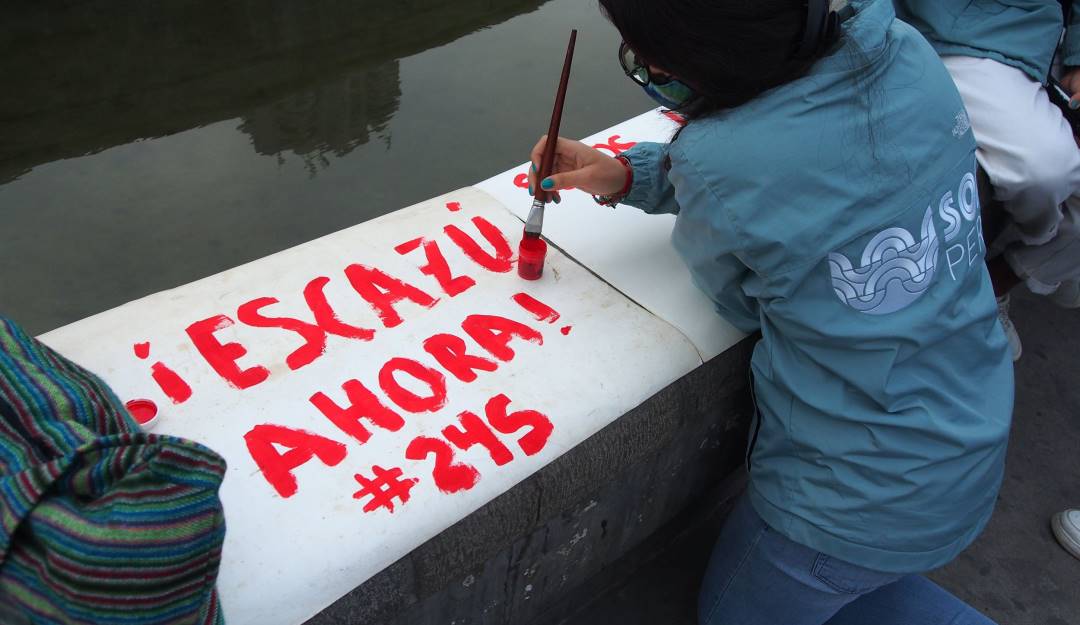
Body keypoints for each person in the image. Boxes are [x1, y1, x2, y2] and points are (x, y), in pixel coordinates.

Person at [526, 0, 1013, 623]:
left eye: (647, 59)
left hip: (848, 500)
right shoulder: (907, 52)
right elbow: (818, 177)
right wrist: (628, 176)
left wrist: (687, 178)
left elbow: (739, 302)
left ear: (703, 56)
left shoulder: (715, 157)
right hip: (974, 431)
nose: (648, 66)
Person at [894, 0, 1080, 564]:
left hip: (1037, 47)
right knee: (1045, 170)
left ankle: (991, 288)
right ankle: (992, 287)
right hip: (953, 43)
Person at [895, 0, 1080, 362]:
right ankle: (1017, 269)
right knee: (1045, 169)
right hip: (969, 32)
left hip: (1046, 31)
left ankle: (993, 286)